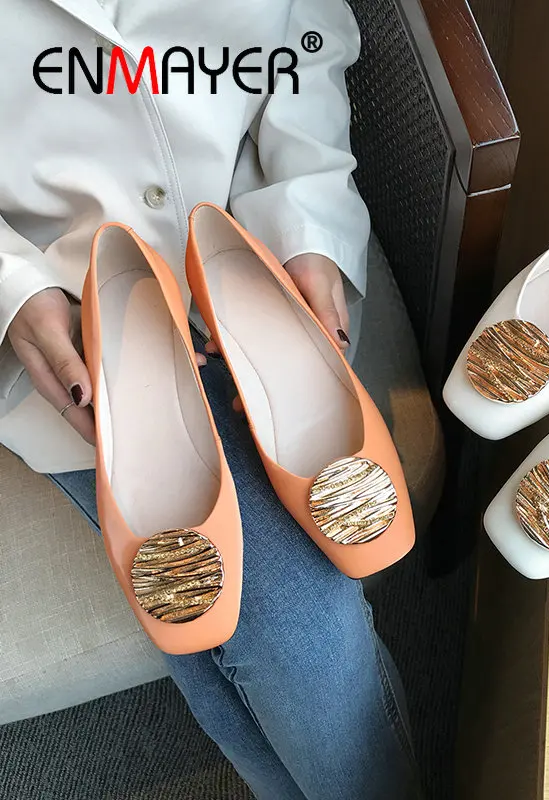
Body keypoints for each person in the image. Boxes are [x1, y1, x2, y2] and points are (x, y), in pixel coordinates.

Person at [0, 1, 419, 798]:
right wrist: (12, 292)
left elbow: (308, 37)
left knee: (213, 621)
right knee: (285, 630)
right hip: (71, 313)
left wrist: (308, 223)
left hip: (253, 250)